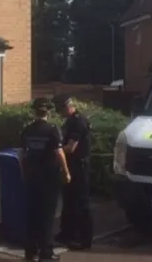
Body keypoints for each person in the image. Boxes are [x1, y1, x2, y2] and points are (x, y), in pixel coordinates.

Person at [19, 97, 71, 261]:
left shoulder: (27, 130)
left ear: (34, 112)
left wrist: (24, 172)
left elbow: (22, 155)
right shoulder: (52, 130)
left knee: (32, 214)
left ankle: (30, 252)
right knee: (47, 216)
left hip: (32, 177)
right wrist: (66, 171)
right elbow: (59, 152)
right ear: (48, 112)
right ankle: (45, 253)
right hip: (49, 178)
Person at [53, 94, 94, 251]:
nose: (59, 114)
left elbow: (71, 147)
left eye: (60, 110)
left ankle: (84, 239)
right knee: (68, 201)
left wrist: (54, 151)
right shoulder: (70, 122)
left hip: (80, 167)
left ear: (66, 107)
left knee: (82, 203)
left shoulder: (78, 122)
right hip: (71, 166)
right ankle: (67, 234)